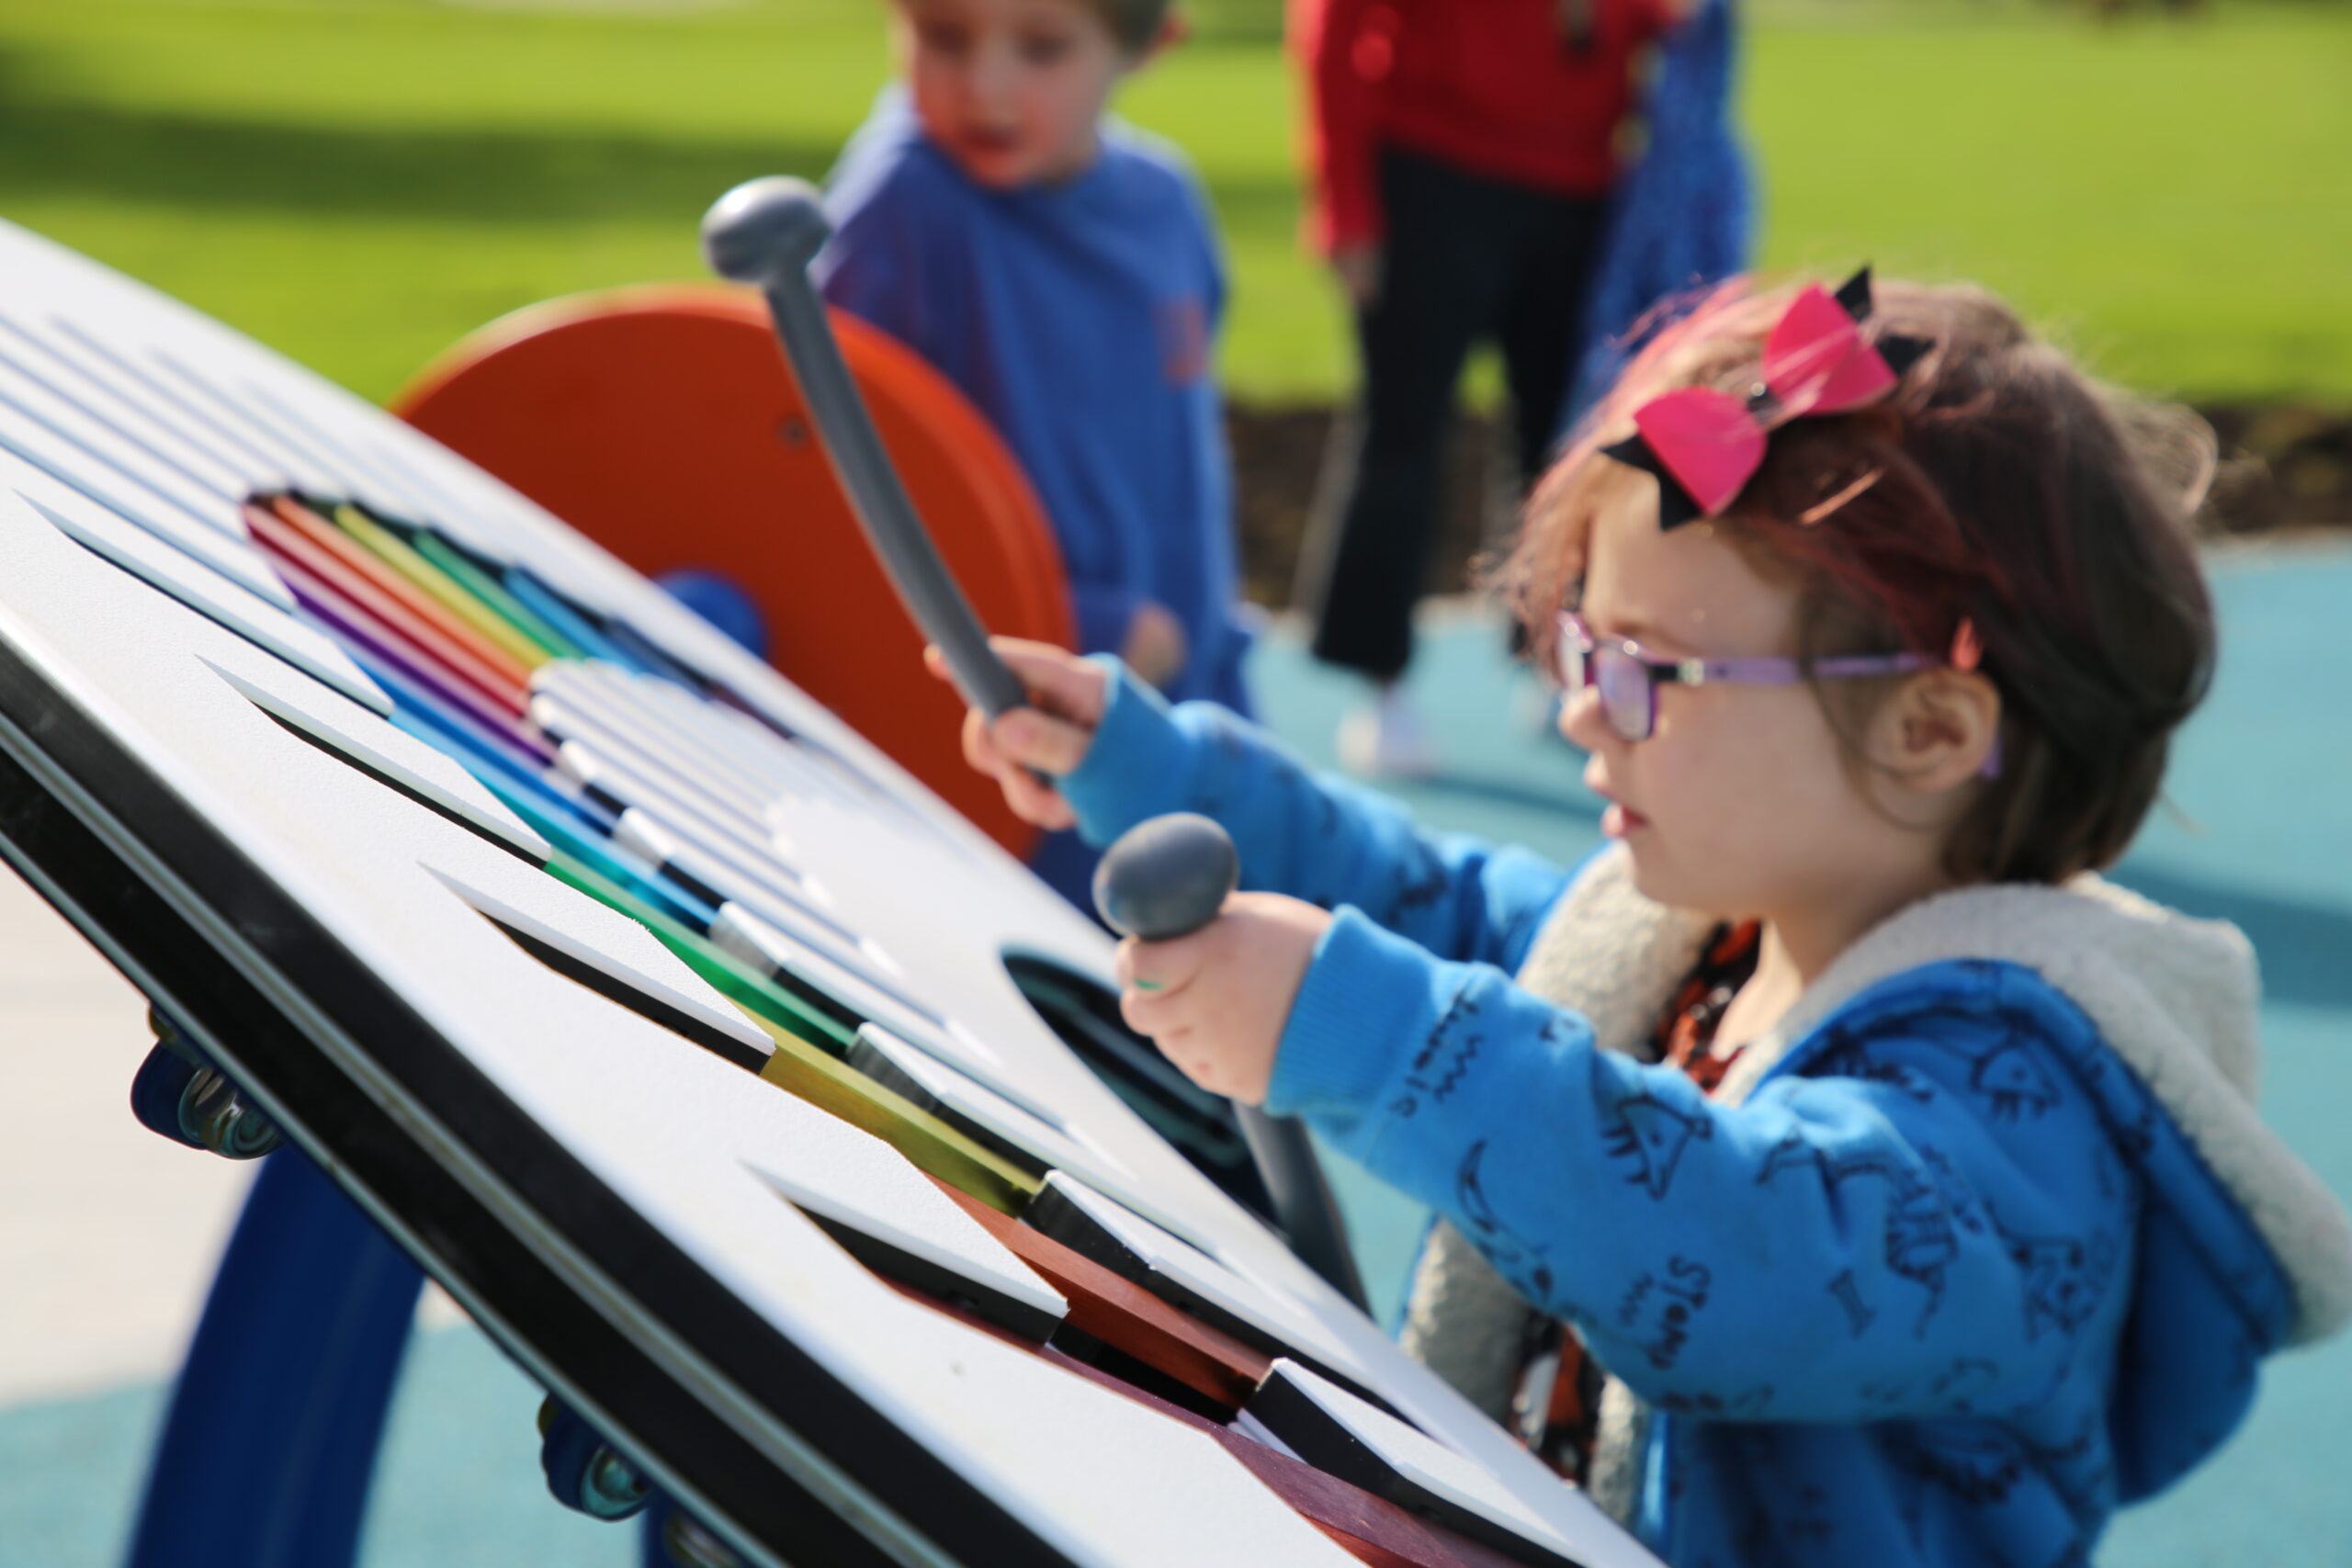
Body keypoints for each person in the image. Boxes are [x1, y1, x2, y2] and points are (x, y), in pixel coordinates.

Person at [938, 274, 2352, 1564]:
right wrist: (1154, 771)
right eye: (1578, 647)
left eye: (1645, 671)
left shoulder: (2027, 1115)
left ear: (1928, 727)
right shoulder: (1711, 937)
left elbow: (1747, 1253)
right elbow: (1425, 896)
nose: (1575, 711)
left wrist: (1375, 1039)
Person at [816, 0, 1252, 907]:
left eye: (1043, 48)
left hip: (1196, 693)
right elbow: (828, 490)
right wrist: (1077, 623)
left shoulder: (1166, 199)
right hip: (1017, 725)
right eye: (943, 36)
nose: (985, 85)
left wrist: (1207, 636)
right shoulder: (903, 203)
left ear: (1145, 44)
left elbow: (1179, 463)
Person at [1289, 0, 1692, 777]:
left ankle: (1547, 652)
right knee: (1403, 431)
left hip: (1581, 186)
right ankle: (1381, 680)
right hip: (1431, 170)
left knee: (1568, 440)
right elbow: (1331, 28)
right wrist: (1344, 204)